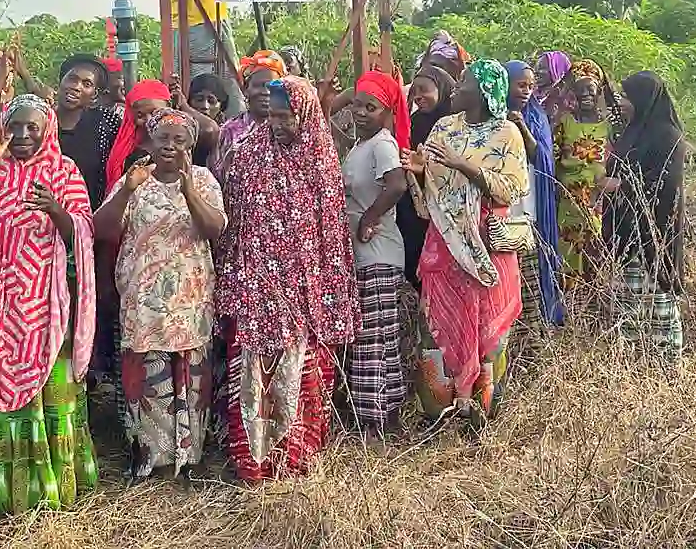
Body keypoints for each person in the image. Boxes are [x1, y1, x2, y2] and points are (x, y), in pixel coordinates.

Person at [0, 96, 97, 521]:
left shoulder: (64, 173)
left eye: (32, 128)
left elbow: (83, 232)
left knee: (53, 396)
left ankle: (46, 491)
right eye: (16, 128)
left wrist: (56, 211)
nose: (23, 136)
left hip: (46, 308)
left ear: (46, 130)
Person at [216, 76, 360, 482]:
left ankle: (294, 458)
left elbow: (330, 234)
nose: (279, 123)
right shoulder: (248, 153)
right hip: (253, 286)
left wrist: (324, 292)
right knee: (251, 369)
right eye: (274, 115)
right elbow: (233, 221)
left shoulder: (320, 157)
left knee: (299, 369)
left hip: (301, 291)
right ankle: (253, 462)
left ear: (306, 113)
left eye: (287, 115)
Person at [94, 109, 225, 479]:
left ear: (191, 145)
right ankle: (149, 457)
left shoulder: (203, 179)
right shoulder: (135, 179)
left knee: (189, 376)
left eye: (179, 140)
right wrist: (128, 190)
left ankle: (187, 457)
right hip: (143, 298)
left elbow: (215, 228)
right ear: (149, 142)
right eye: (162, 138)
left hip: (189, 297)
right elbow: (102, 229)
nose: (169, 146)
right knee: (148, 379)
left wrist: (188, 190)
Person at [402, 60, 528, 423]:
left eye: (465, 81)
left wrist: (464, 165)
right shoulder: (444, 127)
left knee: (488, 331)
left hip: (486, 248)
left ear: (485, 90)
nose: (456, 87)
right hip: (444, 246)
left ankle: (482, 416)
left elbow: (513, 188)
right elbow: (430, 199)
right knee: (437, 331)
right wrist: (418, 170)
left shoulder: (506, 133)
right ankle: (440, 414)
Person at [343, 71, 411, 437]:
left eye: (371, 107)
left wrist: (369, 218)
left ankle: (379, 417)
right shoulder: (360, 146)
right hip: (364, 252)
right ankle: (377, 414)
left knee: (375, 336)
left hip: (379, 250)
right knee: (373, 335)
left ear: (387, 112)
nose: (361, 112)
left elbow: (396, 184)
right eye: (357, 104)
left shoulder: (383, 144)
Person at [607, 72, 685, 364]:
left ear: (643, 99)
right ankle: (631, 362)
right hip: (627, 230)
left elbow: (665, 184)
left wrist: (620, 186)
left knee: (659, 297)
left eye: (626, 97)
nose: (622, 103)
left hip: (656, 234)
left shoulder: (669, 137)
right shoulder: (631, 131)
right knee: (628, 300)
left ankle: (667, 366)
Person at [505, 61, 562, 329]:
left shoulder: (535, 115)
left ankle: (534, 320)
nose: (526, 91)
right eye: (521, 85)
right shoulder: (488, 115)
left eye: (530, 86)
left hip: (528, 197)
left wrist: (521, 128)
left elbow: (541, 156)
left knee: (528, 253)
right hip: (502, 194)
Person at [552, 61, 614, 286]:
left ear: (599, 91)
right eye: (580, 89)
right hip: (568, 200)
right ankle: (570, 305)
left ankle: (594, 303)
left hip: (598, 199)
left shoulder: (609, 126)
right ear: (573, 92)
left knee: (596, 249)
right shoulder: (564, 123)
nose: (586, 94)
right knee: (567, 251)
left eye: (591, 88)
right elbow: (552, 157)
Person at [399, 65, 455, 287]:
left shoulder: (454, 126)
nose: (419, 97)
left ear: (442, 89)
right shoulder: (415, 122)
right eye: (415, 92)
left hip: (444, 211)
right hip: (415, 210)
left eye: (425, 90)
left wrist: (426, 170)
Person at [55, 55, 122, 209]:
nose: (76, 86)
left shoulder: (106, 123)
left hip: (90, 217)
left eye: (87, 84)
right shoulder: (40, 121)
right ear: (61, 81)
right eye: (72, 78)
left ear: (94, 95)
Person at [212, 50, 287, 185]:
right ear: (246, 89)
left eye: (272, 86)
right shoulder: (229, 131)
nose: (265, 92)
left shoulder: (288, 129)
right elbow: (216, 179)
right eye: (259, 86)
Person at [188, 73, 230, 168]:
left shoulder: (230, 132)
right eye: (199, 99)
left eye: (211, 101)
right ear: (189, 102)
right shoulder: (182, 128)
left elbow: (209, 129)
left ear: (221, 106)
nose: (205, 106)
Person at [534, 51, 574, 127]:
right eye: (536, 68)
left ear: (557, 70)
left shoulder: (569, 102)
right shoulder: (532, 96)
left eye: (542, 68)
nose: (536, 72)